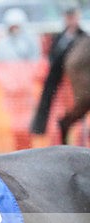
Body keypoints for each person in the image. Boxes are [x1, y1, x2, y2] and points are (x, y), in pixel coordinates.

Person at [31, 6, 86, 136]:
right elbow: (53, 56)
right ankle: (40, 127)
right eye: (68, 16)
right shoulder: (59, 37)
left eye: (73, 16)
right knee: (48, 94)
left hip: (77, 81)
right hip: (58, 75)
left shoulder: (83, 37)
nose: (71, 20)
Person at [0, 8, 41, 150]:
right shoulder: (2, 43)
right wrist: (9, 84)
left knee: (27, 121)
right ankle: (18, 145)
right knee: (15, 121)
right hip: (11, 91)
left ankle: (27, 145)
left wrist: (25, 82)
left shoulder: (31, 41)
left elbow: (36, 63)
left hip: (26, 90)